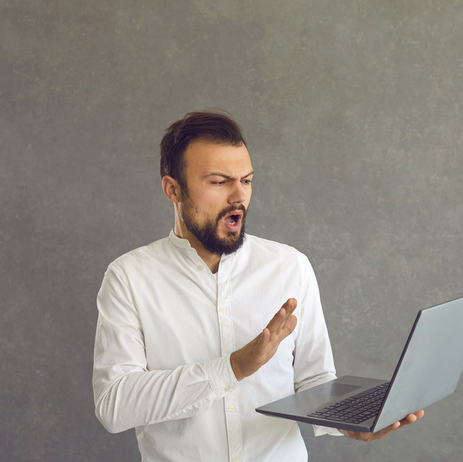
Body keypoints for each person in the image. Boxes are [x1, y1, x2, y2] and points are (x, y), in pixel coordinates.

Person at [92, 111, 423, 461]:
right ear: (173, 189)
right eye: (219, 182)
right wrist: (232, 368)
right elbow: (115, 405)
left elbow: (314, 380)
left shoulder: (289, 266)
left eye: (246, 181)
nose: (238, 197)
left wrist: (348, 421)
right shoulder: (129, 278)